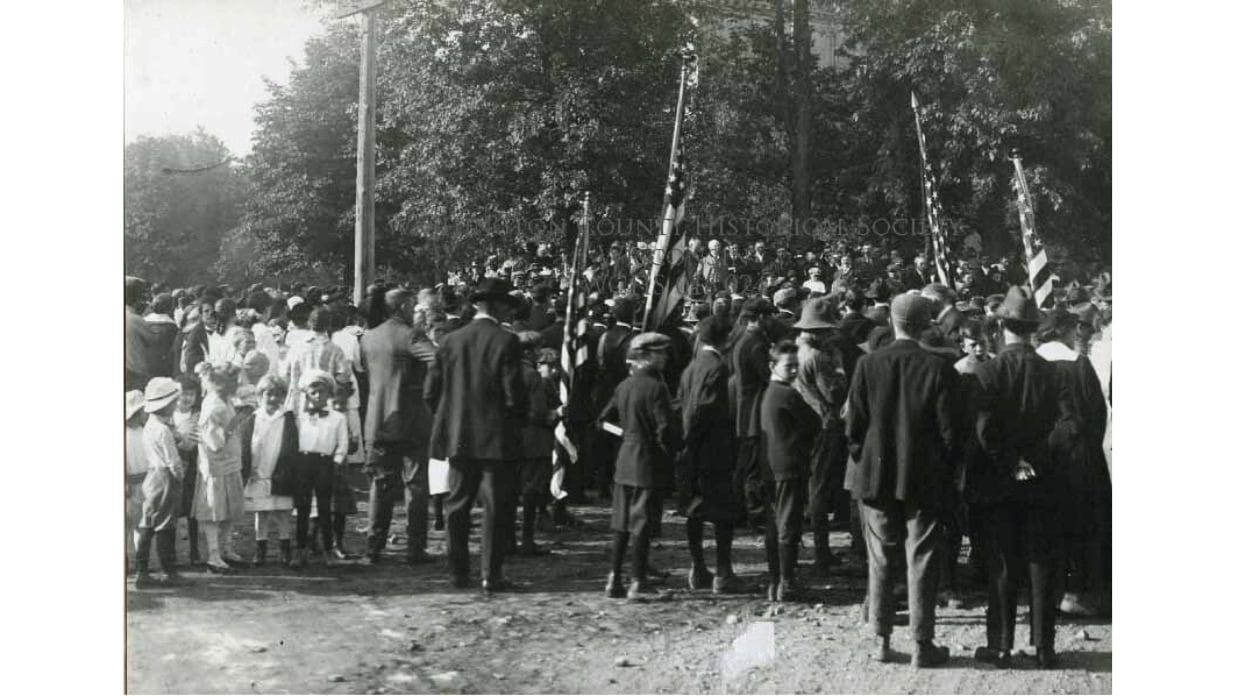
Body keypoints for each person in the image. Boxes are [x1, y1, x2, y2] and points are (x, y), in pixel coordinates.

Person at [845, 293, 957, 667]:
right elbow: (950, 433)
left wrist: (865, 459)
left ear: (890, 321)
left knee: (880, 560)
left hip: (876, 477)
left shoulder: (867, 364)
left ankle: (881, 640)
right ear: (927, 324)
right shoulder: (939, 368)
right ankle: (923, 644)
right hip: (924, 478)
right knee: (922, 559)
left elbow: (854, 426)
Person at [971, 287, 1065, 669]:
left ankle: (1002, 645)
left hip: (1000, 480)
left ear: (1002, 326)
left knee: (1003, 563)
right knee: (1041, 560)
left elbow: (984, 430)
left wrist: (1011, 461)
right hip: (1042, 478)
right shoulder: (1051, 371)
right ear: (1032, 329)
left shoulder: (987, 371)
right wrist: (1036, 459)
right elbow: (1065, 423)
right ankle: (1044, 646)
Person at [425, 278, 527, 593]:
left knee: (457, 505)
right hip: (496, 439)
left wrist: (451, 417)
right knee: (496, 507)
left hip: (458, 435)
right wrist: (514, 422)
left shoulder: (450, 341)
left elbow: (431, 392)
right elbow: (514, 396)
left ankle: (458, 573)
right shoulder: (506, 341)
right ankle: (489, 575)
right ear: (496, 306)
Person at [1035, 308, 1111, 618]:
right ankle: (1079, 592)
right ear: (1066, 331)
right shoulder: (1078, 364)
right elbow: (1095, 411)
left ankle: (1047, 591)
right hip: (1077, 455)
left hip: (1039, 456)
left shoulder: (1033, 361)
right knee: (1083, 523)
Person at [597, 332, 681, 600]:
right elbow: (665, 431)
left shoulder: (623, 386)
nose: (665, 358)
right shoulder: (656, 389)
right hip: (648, 461)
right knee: (642, 523)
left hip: (625, 459)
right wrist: (671, 453)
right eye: (661, 353)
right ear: (646, 357)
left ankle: (614, 578)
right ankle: (638, 580)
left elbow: (602, 421)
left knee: (621, 523)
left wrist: (625, 434)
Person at [358, 289, 438, 565]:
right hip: (411, 419)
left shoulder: (368, 337)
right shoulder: (411, 335)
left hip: (378, 419)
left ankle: (373, 547)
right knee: (415, 486)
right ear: (403, 305)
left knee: (379, 487)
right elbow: (437, 361)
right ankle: (415, 548)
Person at [676, 317, 739, 594]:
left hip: (693, 450)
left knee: (695, 511)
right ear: (725, 340)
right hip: (714, 448)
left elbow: (682, 404)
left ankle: (698, 566)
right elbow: (705, 408)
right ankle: (723, 572)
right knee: (723, 513)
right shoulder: (718, 367)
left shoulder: (691, 367)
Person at [757, 340, 820, 602]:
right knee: (788, 524)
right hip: (790, 466)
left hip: (771, 465)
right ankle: (787, 582)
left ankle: (777, 580)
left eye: (796, 366)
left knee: (775, 523)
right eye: (789, 366)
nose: (794, 371)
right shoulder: (788, 394)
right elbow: (814, 422)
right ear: (773, 365)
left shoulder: (769, 392)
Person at [791, 298, 849, 573]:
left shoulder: (797, 351)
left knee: (813, 486)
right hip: (824, 422)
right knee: (820, 489)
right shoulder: (819, 357)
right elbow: (834, 393)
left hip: (804, 423)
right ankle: (821, 551)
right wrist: (839, 366)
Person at [192, 362, 250, 574]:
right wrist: (238, 421)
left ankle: (226, 549)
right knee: (214, 510)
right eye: (233, 381)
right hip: (216, 466)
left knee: (228, 508)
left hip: (230, 462)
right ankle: (214, 554)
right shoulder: (213, 405)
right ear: (221, 384)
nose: (237, 384)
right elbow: (215, 443)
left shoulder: (225, 400)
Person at [290, 369, 350, 568]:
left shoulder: (338, 418)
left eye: (322, 392)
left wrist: (336, 462)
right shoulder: (300, 417)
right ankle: (301, 550)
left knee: (325, 509)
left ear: (329, 394)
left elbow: (343, 444)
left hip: (325, 464)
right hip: (303, 463)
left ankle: (328, 550)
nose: (317, 396)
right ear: (306, 394)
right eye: (313, 392)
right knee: (303, 508)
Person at [134, 377, 188, 588]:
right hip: (165, 476)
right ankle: (169, 571)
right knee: (166, 523)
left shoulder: (149, 425)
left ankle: (142, 570)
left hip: (151, 476)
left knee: (148, 521)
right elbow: (172, 459)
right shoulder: (164, 430)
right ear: (167, 404)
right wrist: (180, 474)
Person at [241, 375, 298, 568]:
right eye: (269, 394)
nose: (273, 398)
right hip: (260, 470)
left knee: (283, 512)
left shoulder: (288, 418)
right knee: (262, 513)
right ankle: (260, 549)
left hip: (281, 471)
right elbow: (248, 445)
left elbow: (292, 446)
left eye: (278, 394)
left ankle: (285, 549)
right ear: (260, 395)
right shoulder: (254, 419)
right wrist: (250, 469)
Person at [729, 297, 773, 529]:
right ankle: (753, 512)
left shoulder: (743, 338)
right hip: (754, 409)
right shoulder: (756, 343)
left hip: (744, 407)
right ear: (761, 318)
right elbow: (766, 376)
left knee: (745, 462)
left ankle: (740, 510)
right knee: (753, 465)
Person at [592, 297, 636, 498]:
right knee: (623, 436)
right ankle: (619, 480)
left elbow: (601, 365)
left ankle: (602, 481)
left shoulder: (605, 337)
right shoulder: (632, 339)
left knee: (605, 436)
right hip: (624, 391)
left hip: (605, 392)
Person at [515, 331, 555, 555]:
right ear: (529, 351)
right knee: (531, 491)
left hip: (511, 439)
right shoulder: (532, 375)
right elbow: (539, 412)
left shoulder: (506, 370)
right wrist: (554, 414)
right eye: (538, 349)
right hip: (533, 439)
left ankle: (508, 539)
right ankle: (527, 539)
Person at [173, 374, 203, 565]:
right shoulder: (169, 416)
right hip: (174, 467)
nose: (186, 398)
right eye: (182, 394)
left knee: (193, 511)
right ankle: (172, 553)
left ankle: (194, 551)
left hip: (193, 466)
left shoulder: (199, 415)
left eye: (190, 394)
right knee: (174, 510)